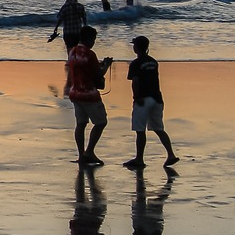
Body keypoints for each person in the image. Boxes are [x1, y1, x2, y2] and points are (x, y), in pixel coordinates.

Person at [123, 36, 179, 169]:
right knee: (159, 128)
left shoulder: (135, 64)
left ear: (136, 48)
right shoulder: (153, 62)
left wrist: (136, 98)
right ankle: (170, 154)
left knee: (140, 130)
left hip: (143, 99)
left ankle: (139, 159)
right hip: (157, 98)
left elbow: (135, 82)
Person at [67, 26, 113, 166]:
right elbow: (98, 75)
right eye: (93, 39)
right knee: (101, 122)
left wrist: (99, 65)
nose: (94, 42)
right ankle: (90, 151)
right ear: (88, 38)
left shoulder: (72, 52)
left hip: (75, 93)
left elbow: (82, 68)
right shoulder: (90, 54)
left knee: (80, 124)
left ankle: (81, 155)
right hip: (89, 94)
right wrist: (106, 66)